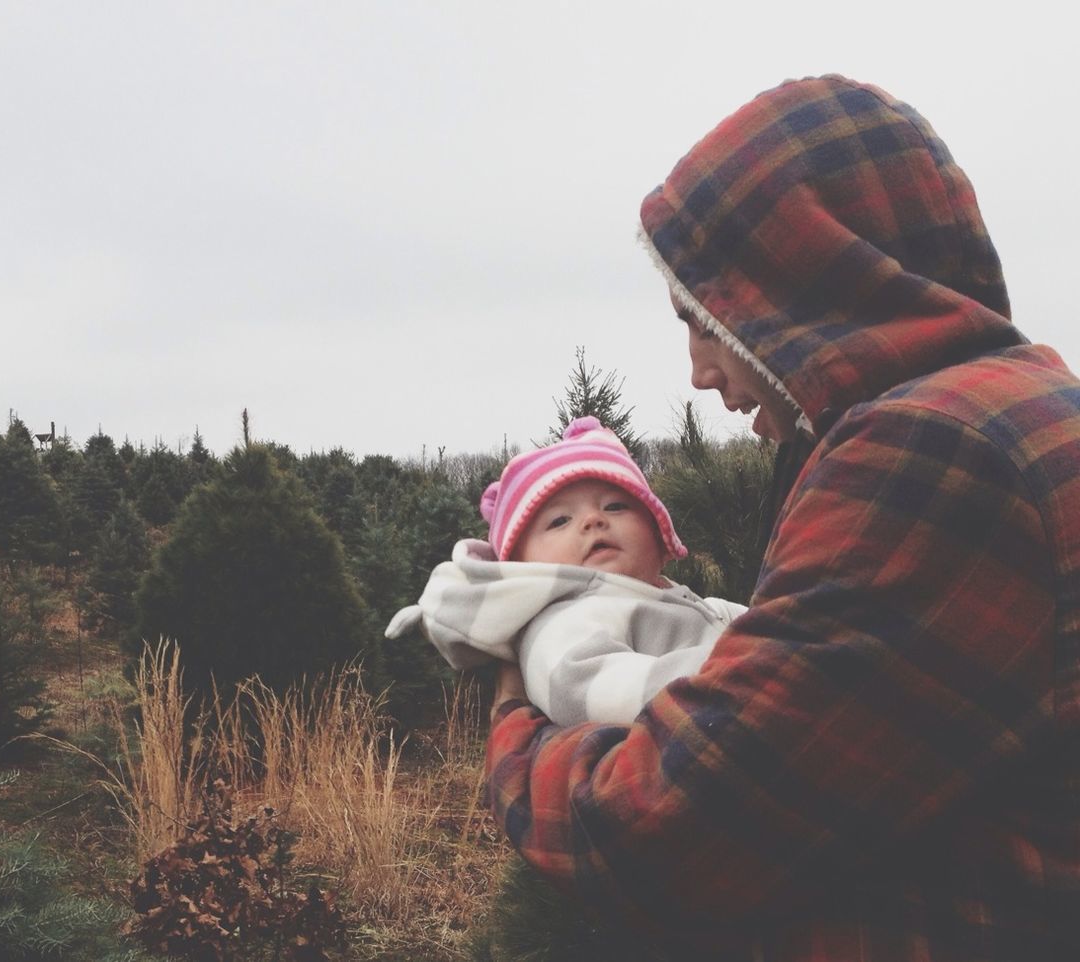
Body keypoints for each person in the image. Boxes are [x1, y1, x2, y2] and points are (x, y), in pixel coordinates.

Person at [484, 75, 1080, 961]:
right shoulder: (1031, 400)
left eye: (705, 318)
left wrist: (510, 726)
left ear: (802, 283)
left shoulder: (928, 454)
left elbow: (672, 831)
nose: (697, 371)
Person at [386, 416, 746, 725]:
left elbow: (753, 624)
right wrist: (734, 668)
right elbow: (584, 689)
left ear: (660, 535)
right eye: (559, 520)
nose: (593, 519)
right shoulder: (562, 621)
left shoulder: (679, 599)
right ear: (522, 566)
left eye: (616, 505)